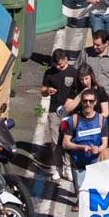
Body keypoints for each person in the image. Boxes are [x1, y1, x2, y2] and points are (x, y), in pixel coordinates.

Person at [62, 88, 106, 195]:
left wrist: (98, 149)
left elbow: (105, 144)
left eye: (91, 101)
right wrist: (81, 147)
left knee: (95, 196)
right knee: (81, 195)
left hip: (96, 164)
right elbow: (65, 143)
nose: (88, 104)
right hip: (79, 164)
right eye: (85, 101)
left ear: (95, 102)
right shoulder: (73, 120)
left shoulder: (101, 120)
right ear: (81, 102)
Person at [40, 48, 74, 180]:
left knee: (68, 140)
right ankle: (58, 167)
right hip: (54, 111)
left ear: (66, 59)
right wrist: (47, 91)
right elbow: (42, 90)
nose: (58, 67)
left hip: (70, 112)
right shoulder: (49, 72)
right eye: (56, 65)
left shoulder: (73, 72)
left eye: (60, 64)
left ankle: (68, 167)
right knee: (55, 142)